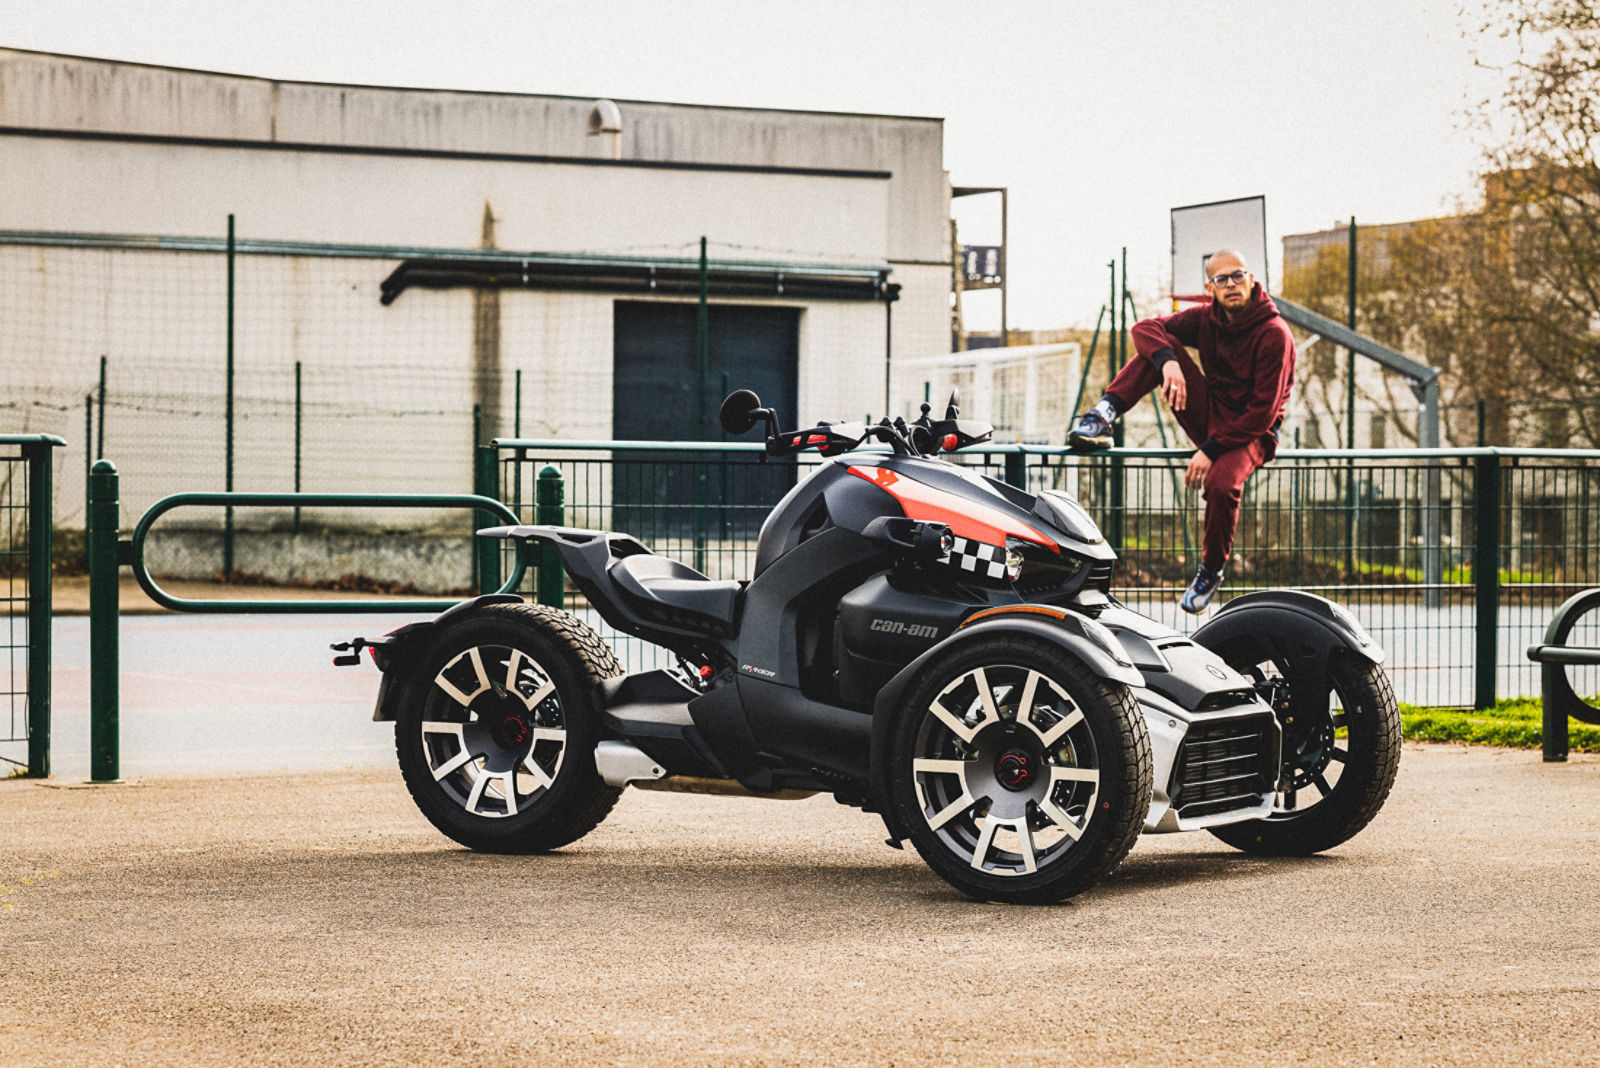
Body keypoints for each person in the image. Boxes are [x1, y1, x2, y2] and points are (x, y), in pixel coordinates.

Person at [1067, 250, 1296, 613]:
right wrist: (1168, 362)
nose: (1231, 284)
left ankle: (1211, 569)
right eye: (1222, 279)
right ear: (1210, 288)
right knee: (1159, 347)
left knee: (1221, 484)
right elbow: (1143, 328)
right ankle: (1103, 414)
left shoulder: (1274, 334)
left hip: (1254, 433)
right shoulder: (1206, 319)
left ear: (1252, 279)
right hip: (1211, 414)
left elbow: (1262, 414)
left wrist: (1210, 450)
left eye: (1238, 276)